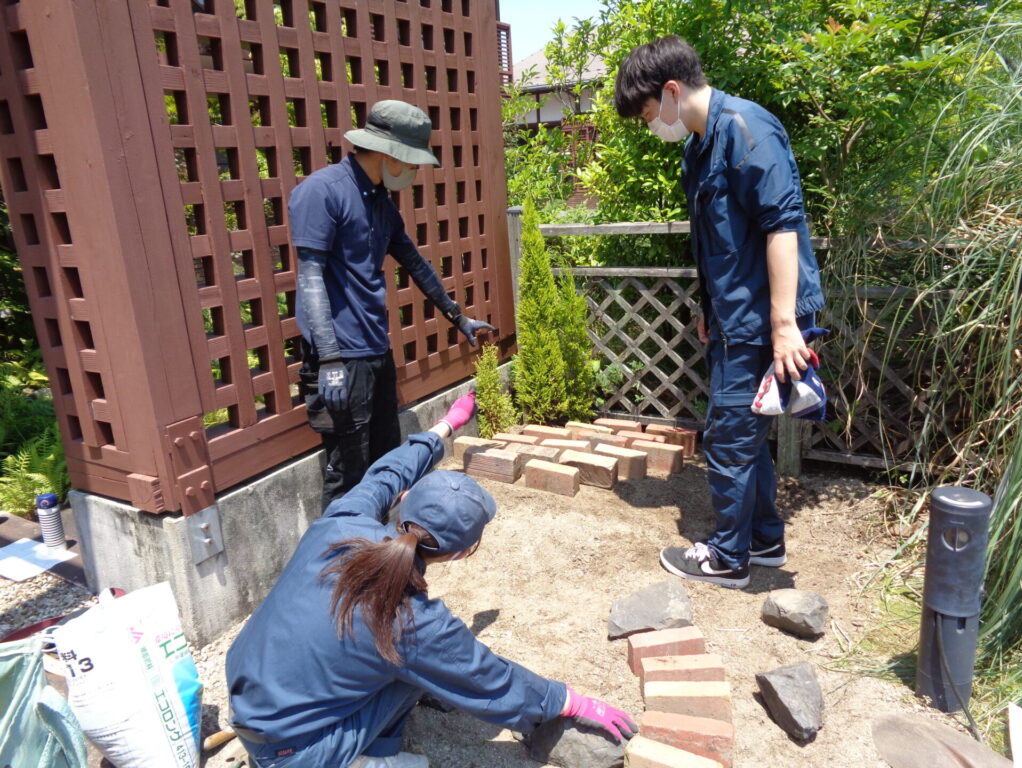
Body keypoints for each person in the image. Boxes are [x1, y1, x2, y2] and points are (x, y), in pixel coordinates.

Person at [226, 392, 637, 768]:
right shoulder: (410, 624)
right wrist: (566, 701)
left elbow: (384, 473)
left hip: (249, 695)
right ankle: (375, 762)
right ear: (462, 553)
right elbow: (485, 678)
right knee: (416, 674)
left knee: (400, 664)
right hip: (291, 752)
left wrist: (445, 426)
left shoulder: (341, 522)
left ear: (404, 499)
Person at [613, 36, 826, 589]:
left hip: (762, 320)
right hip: (732, 316)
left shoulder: (748, 129)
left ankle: (729, 558)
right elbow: (713, 241)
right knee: (746, 436)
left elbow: (781, 226)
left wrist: (784, 327)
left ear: (672, 91)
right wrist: (708, 307)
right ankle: (765, 539)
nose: (650, 125)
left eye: (646, 113)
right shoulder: (699, 147)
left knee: (728, 438)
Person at [289, 100, 494, 509]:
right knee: (347, 472)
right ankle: (340, 564)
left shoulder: (380, 201)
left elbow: (414, 262)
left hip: (375, 353)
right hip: (341, 359)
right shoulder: (322, 191)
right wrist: (328, 359)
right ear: (390, 155)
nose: (416, 172)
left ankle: (378, 555)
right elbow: (309, 275)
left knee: (385, 463)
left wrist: (458, 317)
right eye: (413, 162)